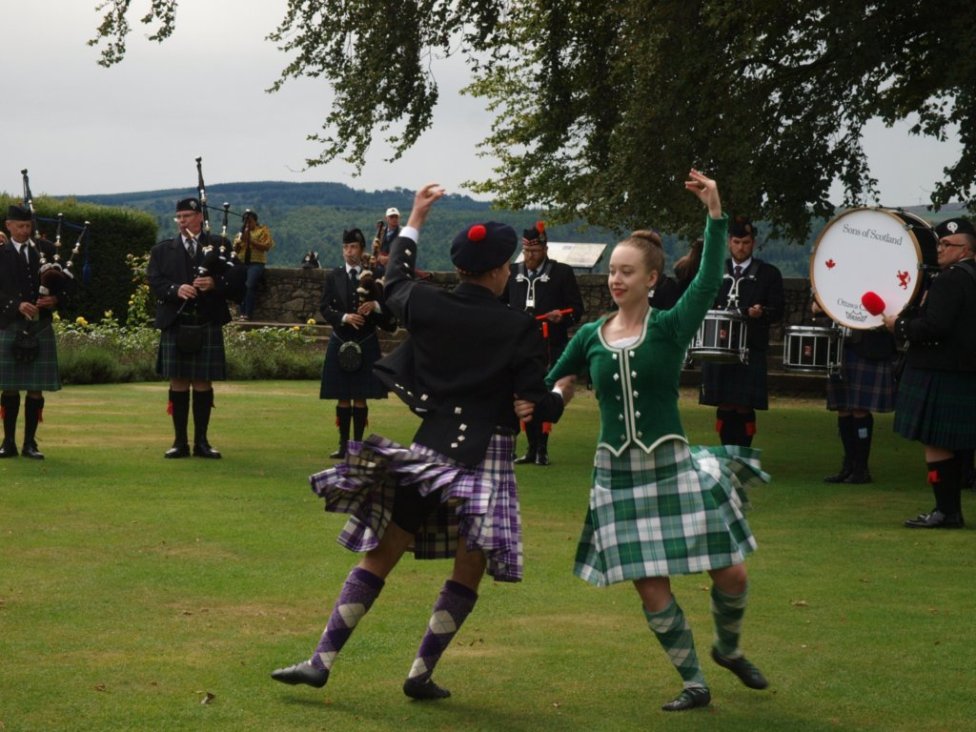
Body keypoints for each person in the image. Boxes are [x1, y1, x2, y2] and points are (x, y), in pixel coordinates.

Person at [271, 183, 566, 701]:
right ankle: (419, 673)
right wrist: (560, 393)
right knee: (469, 566)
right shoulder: (519, 328)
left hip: (428, 452)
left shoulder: (428, 304)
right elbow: (533, 405)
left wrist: (415, 220)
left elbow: (395, 278)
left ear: (463, 268)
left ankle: (321, 659)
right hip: (486, 456)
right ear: (499, 271)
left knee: (382, 552)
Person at [521, 170, 769, 712]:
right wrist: (544, 403)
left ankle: (728, 649)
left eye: (626, 271)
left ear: (651, 278)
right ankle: (694, 682)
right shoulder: (590, 335)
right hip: (617, 475)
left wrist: (715, 211)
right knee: (649, 585)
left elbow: (707, 279)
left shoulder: (671, 326)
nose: (615, 279)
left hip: (673, 467)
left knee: (731, 571)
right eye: (612, 271)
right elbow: (557, 380)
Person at [884, 217, 976, 528]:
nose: (940, 249)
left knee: (935, 442)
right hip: (962, 370)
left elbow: (936, 326)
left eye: (947, 244)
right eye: (939, 243)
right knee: (951, 442)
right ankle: (948, 510)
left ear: (965, 250)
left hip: (939, 370)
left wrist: (899, 325)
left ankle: (946, 511)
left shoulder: (950, 279)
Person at [147, 197, 238, 459]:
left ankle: (202, 442)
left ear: (200, 217)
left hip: (206, 319)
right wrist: (176, 289)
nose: (182, 220)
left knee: (202, 381)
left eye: (187, 215)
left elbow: (235, 279)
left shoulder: (219, 245)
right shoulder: (163, 250)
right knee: (178, 381)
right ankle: (179, 442)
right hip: (176, 320)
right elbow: (154, 281)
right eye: (179, 217)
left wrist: (214, 283)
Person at [698, 216, 784, 447]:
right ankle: (726, 450)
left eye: (746, 242)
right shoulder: (715, 271)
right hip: (718, 345)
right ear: (729, 242)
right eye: (736, 242)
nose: (741, 247)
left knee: (744, 405)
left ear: (753, 243)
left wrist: (762, 312)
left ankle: (743, 451)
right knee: (724, 403)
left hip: (750, 348)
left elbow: (778, 310)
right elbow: (701, 300)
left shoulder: (769, 274)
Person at [505, 221, 584, 465]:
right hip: (520, 347)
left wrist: (562, 316)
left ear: (545, 249)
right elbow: (499, 306)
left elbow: (577, 310)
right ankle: (529, 448)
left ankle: (542, 449)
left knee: (545, 395)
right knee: (521, 395)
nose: (530, 256)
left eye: (535, 251)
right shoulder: (512, 272)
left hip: (551, 344)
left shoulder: (562, 273)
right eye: (527, 251)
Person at [318, 228, 397, 459]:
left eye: (352, 247)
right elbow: (324, 308)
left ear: (361, 250)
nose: (348, 252)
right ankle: (343, 445)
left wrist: (375, 306)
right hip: (341, 338)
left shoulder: (374, 277)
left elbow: (388, 311)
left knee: (360, 396)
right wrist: (344, 317)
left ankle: (358, 445)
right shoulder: (334, 276)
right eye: (345, 247)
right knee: (343, 395)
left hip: (366, 340)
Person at [0, 205, 63, 459]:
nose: (26, 231)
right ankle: (8, 442)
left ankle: (30, 443)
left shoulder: (46, 251)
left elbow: (68, 284)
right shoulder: (1, 253)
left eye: (29, 226)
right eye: (20, 226)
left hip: (40, 325)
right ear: (9, 226)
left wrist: (56, 299)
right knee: (10, 387)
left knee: (35, 388)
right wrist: (15, 305)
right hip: (9, 324)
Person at [813, 303, 897, 484]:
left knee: (860, 409)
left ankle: (861, 468)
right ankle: (848, 466)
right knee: (842, 408)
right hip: (841, 345)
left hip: (870, 346)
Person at [232, 210, 274, 321]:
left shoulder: (262, 231)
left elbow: (266, 247)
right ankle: (241, 312)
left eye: (250, 222)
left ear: (255, 221)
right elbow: (235, 250)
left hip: (256, 263)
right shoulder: (240, 233)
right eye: (245, 222)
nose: (248, 224)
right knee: (241, 286)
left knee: (250, 285)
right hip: (241, 262)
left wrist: (250, 241)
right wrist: (240, 242)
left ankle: (248, 314)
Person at [373, 206, 402, 274]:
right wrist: (379, 257)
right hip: (380, 263)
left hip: (396, 264)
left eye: (396, 217)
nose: (394, 219)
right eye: (392, 217)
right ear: (386, 218)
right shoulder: (380, 232)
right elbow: (375, 248)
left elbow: (403, 250)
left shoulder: (402, 232)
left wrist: (388, 258)